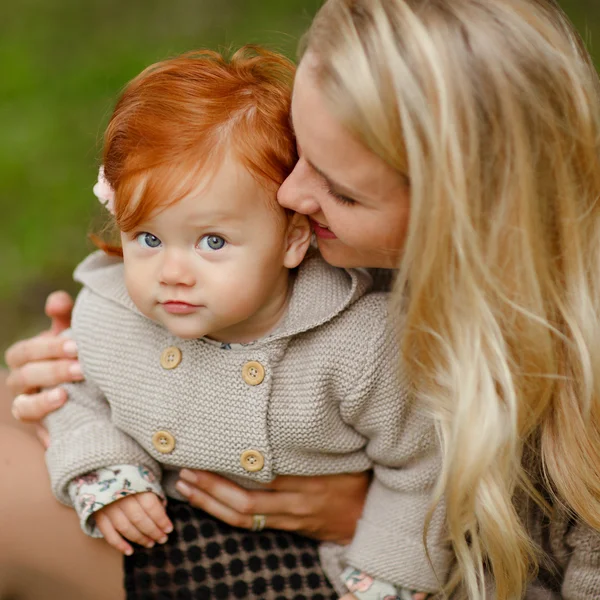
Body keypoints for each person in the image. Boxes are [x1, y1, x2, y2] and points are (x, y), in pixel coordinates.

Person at [5, 0, 600, 598]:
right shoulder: (292, 238)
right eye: (300, 151)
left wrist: (366, 521)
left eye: (340, 190)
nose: (290, 191)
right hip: (199, 500)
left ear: (469, 209)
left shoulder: (547, 373)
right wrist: (66, 384)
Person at [10, 45, 448, 600]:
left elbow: (421, 465)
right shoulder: (111, 312)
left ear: (293, 238)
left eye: (212, 242)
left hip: (323, 553)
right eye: (147, 238)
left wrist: (386, 572)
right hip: (164, 513)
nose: (171, 272)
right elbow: (75, 397)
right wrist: (106, 470)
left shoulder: (359, 345)